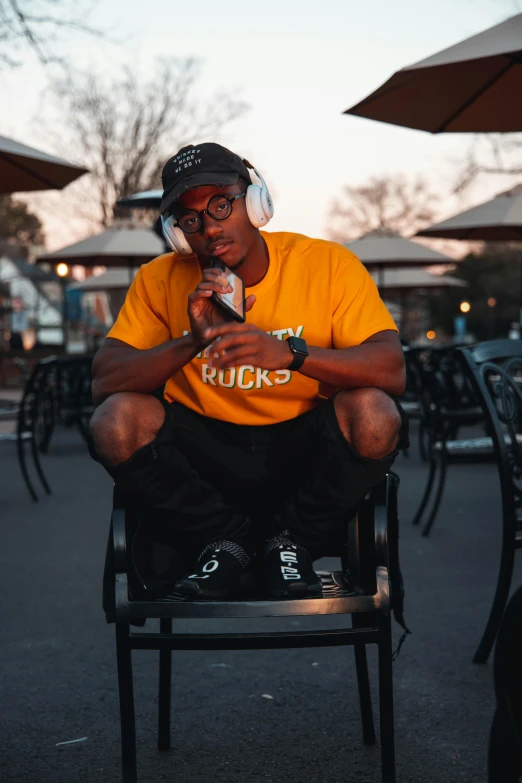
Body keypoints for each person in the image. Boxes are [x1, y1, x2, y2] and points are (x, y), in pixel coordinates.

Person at [89, 142, 408, 601]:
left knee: (375, 413)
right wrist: (192, 340)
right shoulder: (159, 278)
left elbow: (391, 370)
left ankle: (292, 541)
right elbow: (105, 381)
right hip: (206, 457)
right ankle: (223, 542)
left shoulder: (327, 264)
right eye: (191, 217)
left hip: (302, 452)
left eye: (222, 203)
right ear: (177, 232)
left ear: (256, 202)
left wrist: (292, 355)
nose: (210, 226)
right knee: (115, 420)